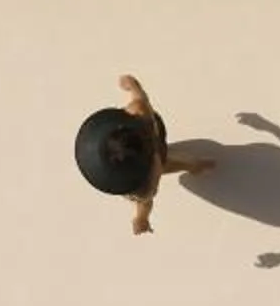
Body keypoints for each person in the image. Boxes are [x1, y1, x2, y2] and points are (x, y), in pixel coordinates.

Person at [75, 74, 212, 236]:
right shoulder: (140, 111)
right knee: (175, 164)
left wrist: (135, 88)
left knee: (175, 162)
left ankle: (194, 165)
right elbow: (140, 98)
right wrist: (134, 87)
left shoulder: (140, 112)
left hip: (155, 142)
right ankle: (194, 165)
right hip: (153, 146)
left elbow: (146, 200)